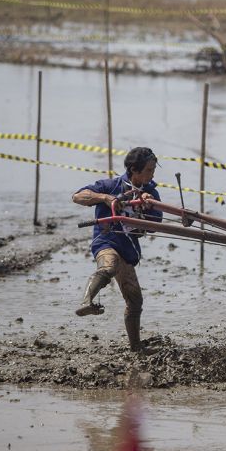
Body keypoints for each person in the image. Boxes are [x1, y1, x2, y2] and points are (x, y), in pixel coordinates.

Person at [72, 147, 163, 352]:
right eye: (149, 170)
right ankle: (86, 301)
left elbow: (156, 224)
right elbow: (77, 196)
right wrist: (105, 198)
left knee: (135, 300)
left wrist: (147, 207)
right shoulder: (110, 186)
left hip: (128, 250)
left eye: (153, 169)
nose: (152, 174)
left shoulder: (152, 192)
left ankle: (136, 347)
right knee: (109, 265)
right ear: (134, 170)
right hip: (106, 242)